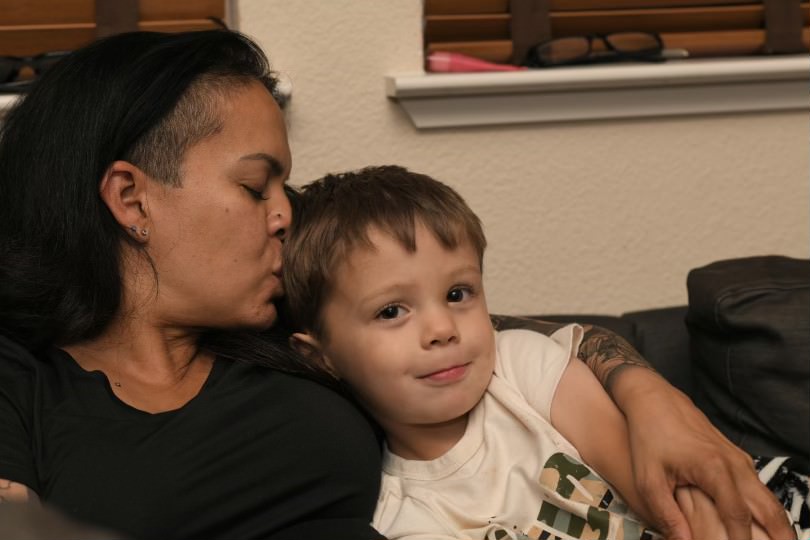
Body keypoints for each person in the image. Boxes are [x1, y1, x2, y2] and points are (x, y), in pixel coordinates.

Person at [0, 29, 793, 540]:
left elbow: (498, 337)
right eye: (255, 187)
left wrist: (660, 404)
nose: (286, 215)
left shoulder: (290, 328)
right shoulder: (24, 380)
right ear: (132, 199)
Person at [281, 165, 800, 540]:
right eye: (392, 311)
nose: (442, 328)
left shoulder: (522, 365)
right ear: (320, 357)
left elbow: (670, 492)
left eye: (458, 294)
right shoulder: (397, 514)